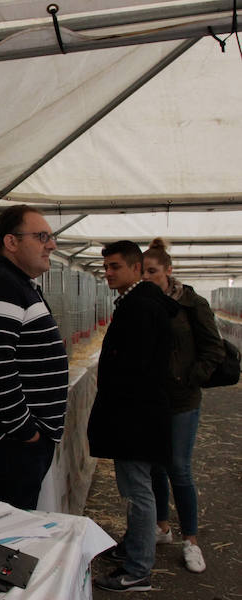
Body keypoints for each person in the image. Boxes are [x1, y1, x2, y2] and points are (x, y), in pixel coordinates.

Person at [0, 205, 68, 510]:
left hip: (14, 441)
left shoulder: (15, 284)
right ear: (11, 242)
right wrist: (26, 431)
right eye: (42, 236)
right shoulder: (0, 284)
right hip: (9, 442)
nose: (52, 244)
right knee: (6, 533)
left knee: (11, 526)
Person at [88, 240, 178, 593]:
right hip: (140, 413)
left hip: (135, 417)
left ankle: (138, 570)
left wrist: (117, 404)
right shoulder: (140, 302)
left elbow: (134, 366)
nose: (108, 273)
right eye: (105, 267)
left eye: (115, 267)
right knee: (138, 489)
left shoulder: (140, 307)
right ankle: (133, 553)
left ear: (136, 268)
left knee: (138, 492)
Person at [142, 237, 224, 573]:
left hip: (183, 399)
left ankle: (192, 541)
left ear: (168, 270)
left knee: (180, 468)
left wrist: (191, 377)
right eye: (142, 271)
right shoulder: (142, 303)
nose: (147, 277)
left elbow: (214, 349)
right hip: (153, 400)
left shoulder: (193, 303)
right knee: (157, 467)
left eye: (153, 271)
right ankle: (162, 528)